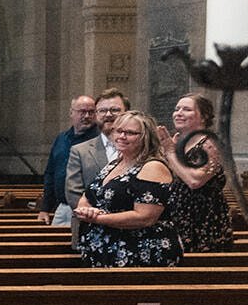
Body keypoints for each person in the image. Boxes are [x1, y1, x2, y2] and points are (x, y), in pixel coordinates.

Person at [74, 110, 182, 267]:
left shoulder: (153, 167)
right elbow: (89, 195)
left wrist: (97, 218)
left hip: (140, 252)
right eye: (119, 131)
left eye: (130, 133)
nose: (122, 136)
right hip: (105, 250)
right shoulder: (114, 163)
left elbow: (144, 217)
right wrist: (85, 210)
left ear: (145, 137)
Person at [159, 94, 235, 253]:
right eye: (177, 109)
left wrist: (170, 153)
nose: (178, 113)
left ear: (204, 116)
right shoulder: (177, 141)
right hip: (177, 216)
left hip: (203, 220)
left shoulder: (211, 144)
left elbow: (195, 181)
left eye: (186, 109)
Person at [66, 88, 129, 246]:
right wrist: (99, 216)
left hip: (132, 230)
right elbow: (73, 192)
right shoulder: (80, 151)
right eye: (102, 110)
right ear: (96, 115)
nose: (108, 114)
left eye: (115, 110)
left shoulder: (142, 150)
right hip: (89, 229)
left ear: (127, 112)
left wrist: (125, 218)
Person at [38, 96, 97, 226]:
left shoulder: (99, 141)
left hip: (88, 209)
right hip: (62, 207)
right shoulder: (61, 139)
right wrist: (45, 208)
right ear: (71, 112)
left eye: (91, 112)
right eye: (82, 111)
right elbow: (50, 174)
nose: (86, 116)